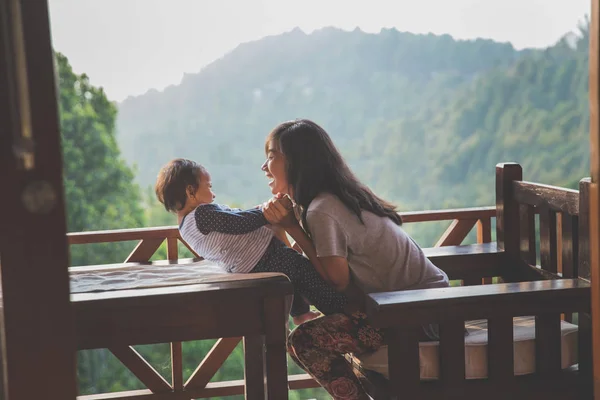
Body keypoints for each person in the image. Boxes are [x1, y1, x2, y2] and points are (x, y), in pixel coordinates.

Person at [260, 119, 449, 400]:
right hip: (404, 307)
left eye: (272, 155)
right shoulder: (326, 201)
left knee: (304, 340)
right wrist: (284, 226)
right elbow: (305, 264)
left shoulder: (322, 209)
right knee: (310, 335)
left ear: (297, 161)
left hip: (417, 316)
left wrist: (292, 228)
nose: (264, 167)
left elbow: (336, 280)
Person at [154, 158, 348, 325]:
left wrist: (261, 210)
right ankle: (337, 308)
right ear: (190, 192)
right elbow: (238, 223)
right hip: (263, 255)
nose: (212, 193)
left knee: (290, 279)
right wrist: (268, 212)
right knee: (302, 269)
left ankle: (300, 313)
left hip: (245, 266)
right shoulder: (202, 214)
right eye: (208, 186)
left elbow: (233, 221)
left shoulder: (185, 227)